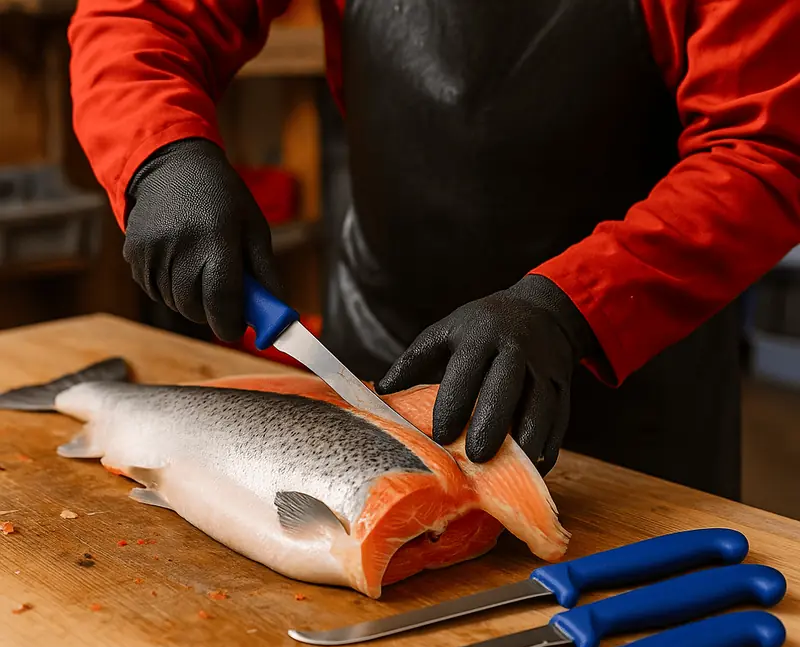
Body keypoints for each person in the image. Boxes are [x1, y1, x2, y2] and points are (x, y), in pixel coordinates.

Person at [67, 0, 800, 502]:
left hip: (626, 377)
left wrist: (571, 306)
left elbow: (765, 149)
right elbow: (143, 14)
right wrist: (161, 157)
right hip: (383, 359)